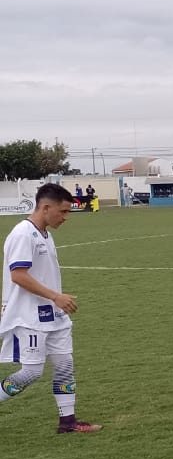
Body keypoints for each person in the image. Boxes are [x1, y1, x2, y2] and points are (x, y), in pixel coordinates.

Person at [0, 183, 102, 433]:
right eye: (63, 211)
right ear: (46, 207)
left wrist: (55, 302)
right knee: (32, 372)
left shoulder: (44, 233)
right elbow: (18, 276)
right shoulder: (23, 233)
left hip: (54, 317)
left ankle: (67, 423)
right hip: (30, 317)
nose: (66, 217)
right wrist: (56, 296)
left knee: (65, 365)